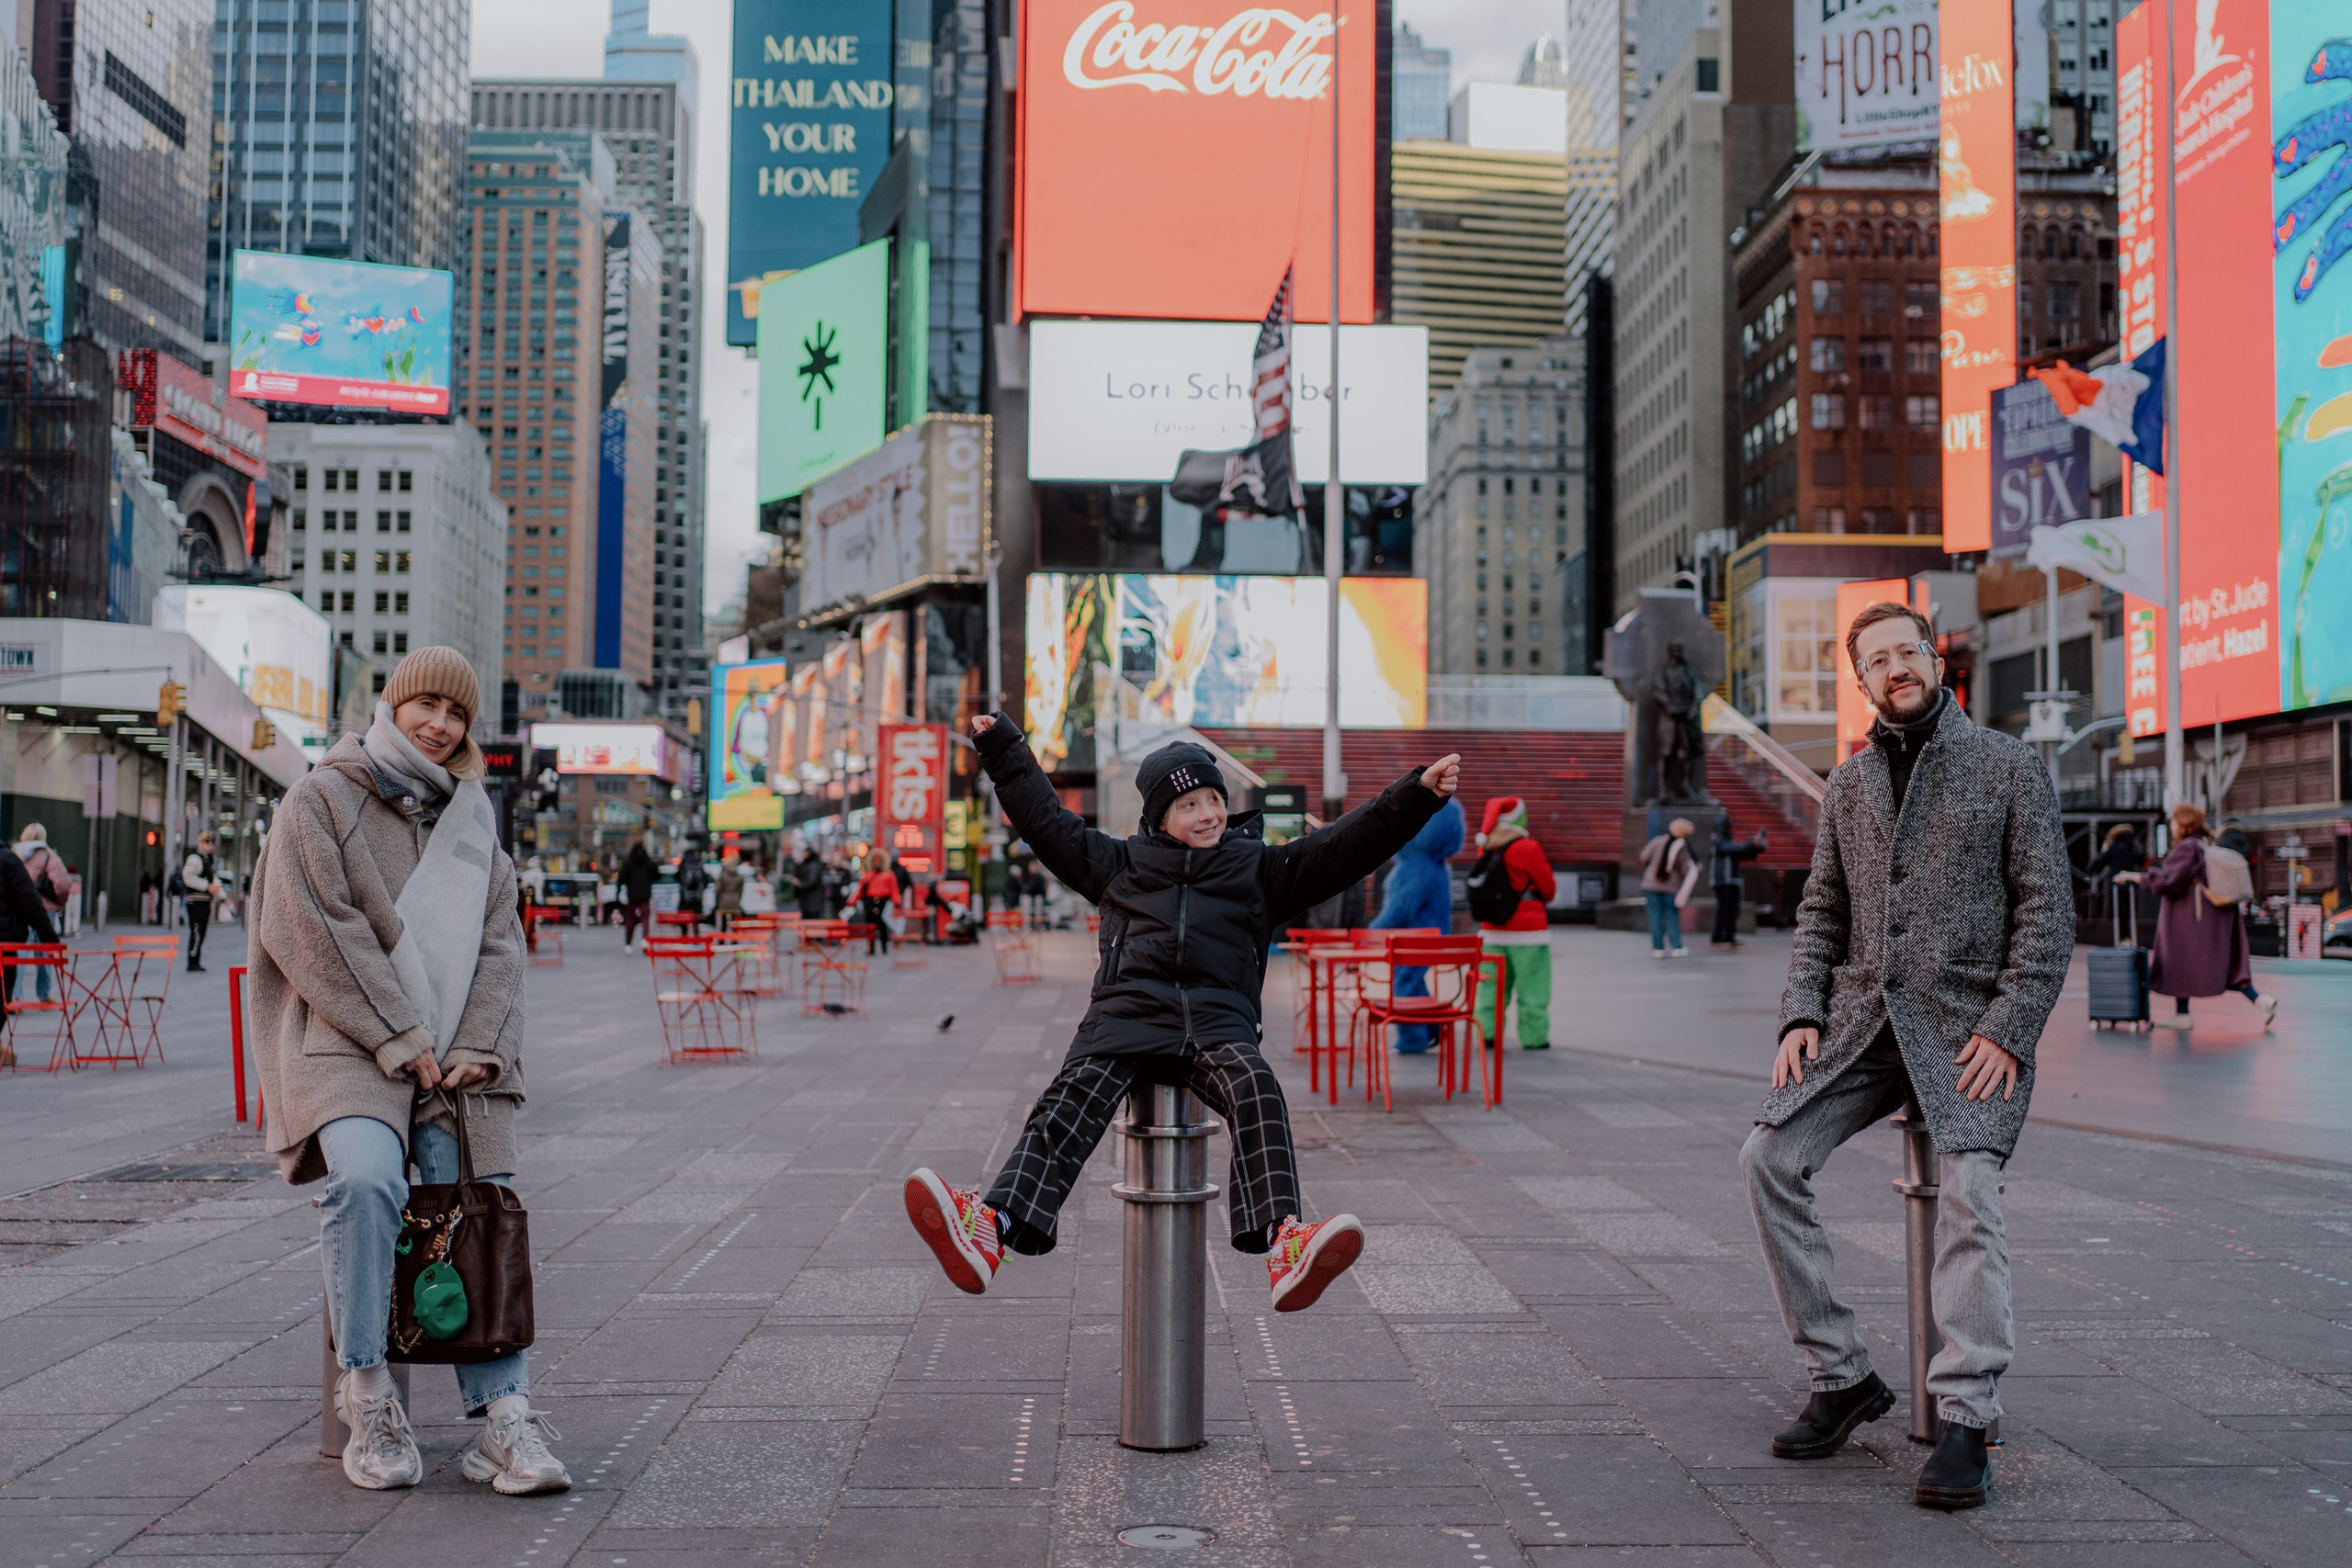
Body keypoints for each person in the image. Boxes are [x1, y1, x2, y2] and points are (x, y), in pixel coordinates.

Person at [905, 715, 1462, 1312]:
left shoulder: (1259, 871)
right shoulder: (1119, 865)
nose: (1207, 815)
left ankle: (1286, 1243)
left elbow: (1346, 844)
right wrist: (1002, 747)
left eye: (1214, 799)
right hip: (1125, 1020)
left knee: (1258, 1089)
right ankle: (994, 1227)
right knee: (1069, 1100)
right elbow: (1045, 822)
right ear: (1159, 818)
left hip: (1218, 1028)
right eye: (1189, 803)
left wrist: (1416, 794)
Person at [1741, 602, 2072, 1512]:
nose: (1895, 667)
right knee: (1767, 1157)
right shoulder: (1846, 784)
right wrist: (1798, 1014)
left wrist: (2009, 1026)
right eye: (1875, 658)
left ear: (1935, 659)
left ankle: (1965, 1414)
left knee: (1967, 1189)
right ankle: (1841, 1374)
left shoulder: (2008, 766)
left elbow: (2047, 911)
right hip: (1860, 1026)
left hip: (1969, 1030)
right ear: (1860, 681)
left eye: (1906, 651)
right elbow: (1821, 911)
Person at [246, 647, 568, 1497]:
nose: (440, 723)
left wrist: (475, 1046)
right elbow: (313, 926)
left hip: (452, 1054)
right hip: (347, 1039)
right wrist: (396, 1030)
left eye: (456, 713)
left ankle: (503, 1415)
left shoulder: (473, 817)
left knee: (478, 1196)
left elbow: (503, 942)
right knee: (365, 1181)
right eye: (426, 703)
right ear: (394, 704)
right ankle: (369, 1389)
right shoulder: (322, 795)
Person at [2120, 803, 2275, 1031]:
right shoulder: (2203, 844)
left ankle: (2183, 1015)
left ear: (2182, 824)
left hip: (2189, 920)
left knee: (2179, 959)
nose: (2171, 826)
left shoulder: (2186, 848)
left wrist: (2136, 877)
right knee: (2220, 964)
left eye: (2173, 821)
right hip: (2211, 916)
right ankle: (2259, 1000)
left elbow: (2169, 882)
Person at [1369, 797, 1464, 1054]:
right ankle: (1434, 1026)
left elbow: (1398, 910)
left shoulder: (1413, 868)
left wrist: (1371, 933)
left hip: (1411, 940)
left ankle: (1413, 1038)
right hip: (1433, 938)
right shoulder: (1437, 867)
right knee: (1414, 981)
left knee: (1404, 984)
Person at [1466, 797, 1555, 1049]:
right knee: (1533, 989)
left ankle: (1487, 1034)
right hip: (1529, 932)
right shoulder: (1528, 847)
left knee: (1490, 988)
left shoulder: (1487, 848)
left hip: (1492, 931)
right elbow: (1548, 889)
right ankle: (1534, 1038)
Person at [15, 825, 73, 999]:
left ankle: (15, 995)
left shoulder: (15, 856)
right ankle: (44, 993)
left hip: (21, 910)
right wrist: (58, 903)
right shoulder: (50, 858)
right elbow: (63, 885)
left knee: (20, 951)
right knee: (44, 951)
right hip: (45, 911)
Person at [1637, 817, 1701, 959]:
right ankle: (1676, 946)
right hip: (1670, 887)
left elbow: (1643, 856)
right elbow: (1685, 869)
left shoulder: (1657, 841)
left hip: (1651, 884)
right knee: (1671, 916)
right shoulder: (1682, 846)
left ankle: (1657, 948)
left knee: (1655, 916)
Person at [1707, 814, 1769, 949]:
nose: (1731, 828)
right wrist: (1752, 844)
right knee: (1723, 910)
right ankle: (1717, 938)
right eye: (1728, 825)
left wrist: (1756, 848)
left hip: (1733, 880)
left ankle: (1729, 936)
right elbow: (1732, 848)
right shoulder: (1718, 839)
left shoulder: (1727, 839)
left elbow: (1742, 853)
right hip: (1722, 880)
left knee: (1733, 911)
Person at [180, 831, 222, 971]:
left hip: (204, 902)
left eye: (211, 842)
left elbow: (213, 880)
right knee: (197, 931)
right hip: (196, 901)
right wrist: (207, 887)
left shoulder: (207, 860)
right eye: (207, 842)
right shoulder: (195, 859)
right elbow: (188, 878)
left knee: (201, 931)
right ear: (200, 843)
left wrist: (223, 897)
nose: (210, 845)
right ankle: (192, 961)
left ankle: (195, 960)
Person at [855, 850, 902, 954]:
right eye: (875, 861)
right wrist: (852, 901)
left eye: (879, 861)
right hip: (869, 902)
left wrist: (896, 903)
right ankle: (871, 948)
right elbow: (860, 890)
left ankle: (884, 948)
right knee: (870, 926)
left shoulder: (889, 875)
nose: (877, 863)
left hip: (883, 902)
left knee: (882, 926)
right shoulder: (867, 875)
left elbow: (894, 890)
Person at [618, 842, 656, 951]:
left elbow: (622, 877)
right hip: (645, 894)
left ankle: (628, 944)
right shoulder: (647, 861)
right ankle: (645, 940)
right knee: (645, 919)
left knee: (630, 920)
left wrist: (620, 889)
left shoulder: (629, 861)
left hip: (632, 894)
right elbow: (657, 873)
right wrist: (649, 881)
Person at [793, 844, 828, 920]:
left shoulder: (813, 865)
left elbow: (812, 882)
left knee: (813, 924)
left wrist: (799, 884)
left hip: (813, 903)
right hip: (807, 902)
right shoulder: (806, 864)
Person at [713, 851, 745, 931]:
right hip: (735, 899)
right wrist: (738, 898)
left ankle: (722, 941)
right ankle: (734, 941)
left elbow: (718, 889)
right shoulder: (739, 875)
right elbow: (741, 889)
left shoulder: (723, 874)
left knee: (723, 922)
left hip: (724, 899)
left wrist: (717, 900)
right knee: (734, 923)